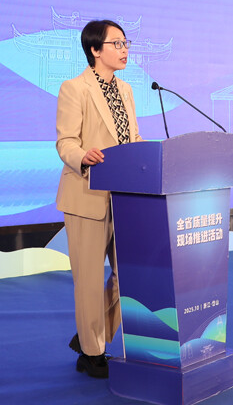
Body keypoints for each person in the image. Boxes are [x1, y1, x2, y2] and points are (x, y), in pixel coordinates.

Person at [55, 19, 142, 378]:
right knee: (89, 281)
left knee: (129, 276)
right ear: (95, 49)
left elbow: (131, 138)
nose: (124, 50)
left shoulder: (127, 90)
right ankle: (92, 353)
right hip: (86, 194)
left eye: (125, 43)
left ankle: (91, 334)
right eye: (116, 43)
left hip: (125, 197)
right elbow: (65, 142)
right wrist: (82, 156)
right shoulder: (74, 88)